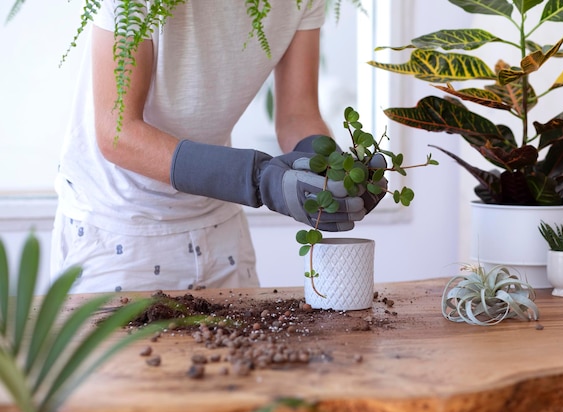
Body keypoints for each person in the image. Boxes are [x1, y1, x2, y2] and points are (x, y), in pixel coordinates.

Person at [50, 0, 385, 293]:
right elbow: (118, 134)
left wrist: (330, 171)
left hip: (220, 227)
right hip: (119, 227)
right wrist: (257, 178)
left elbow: (297, 113)